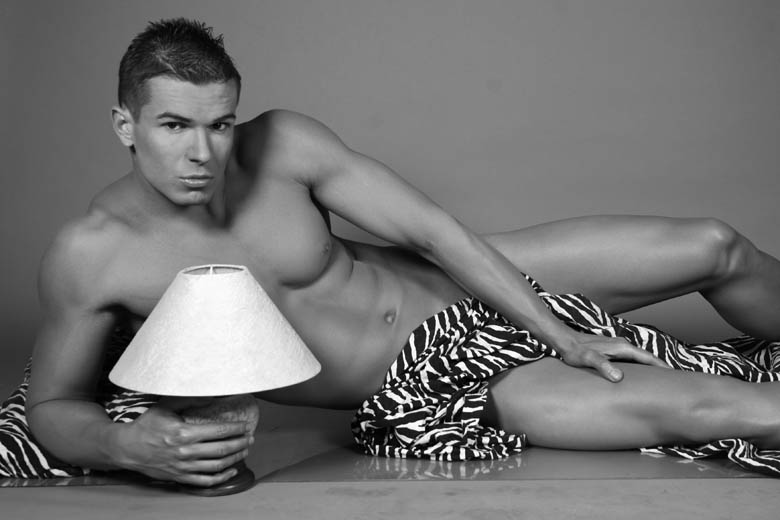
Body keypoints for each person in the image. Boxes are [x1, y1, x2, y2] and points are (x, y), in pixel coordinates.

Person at [2, 18, 780, 485]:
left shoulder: (284, 145)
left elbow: (432, 232)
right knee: (719, 409)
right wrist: (128, 446)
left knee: (715, 245)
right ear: (125, 125)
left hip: (472, 280)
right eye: (175, 126)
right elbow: (52, 409)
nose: (203, 153)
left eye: (220, 123)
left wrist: (563, 333)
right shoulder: (94, 255)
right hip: (441, 380)